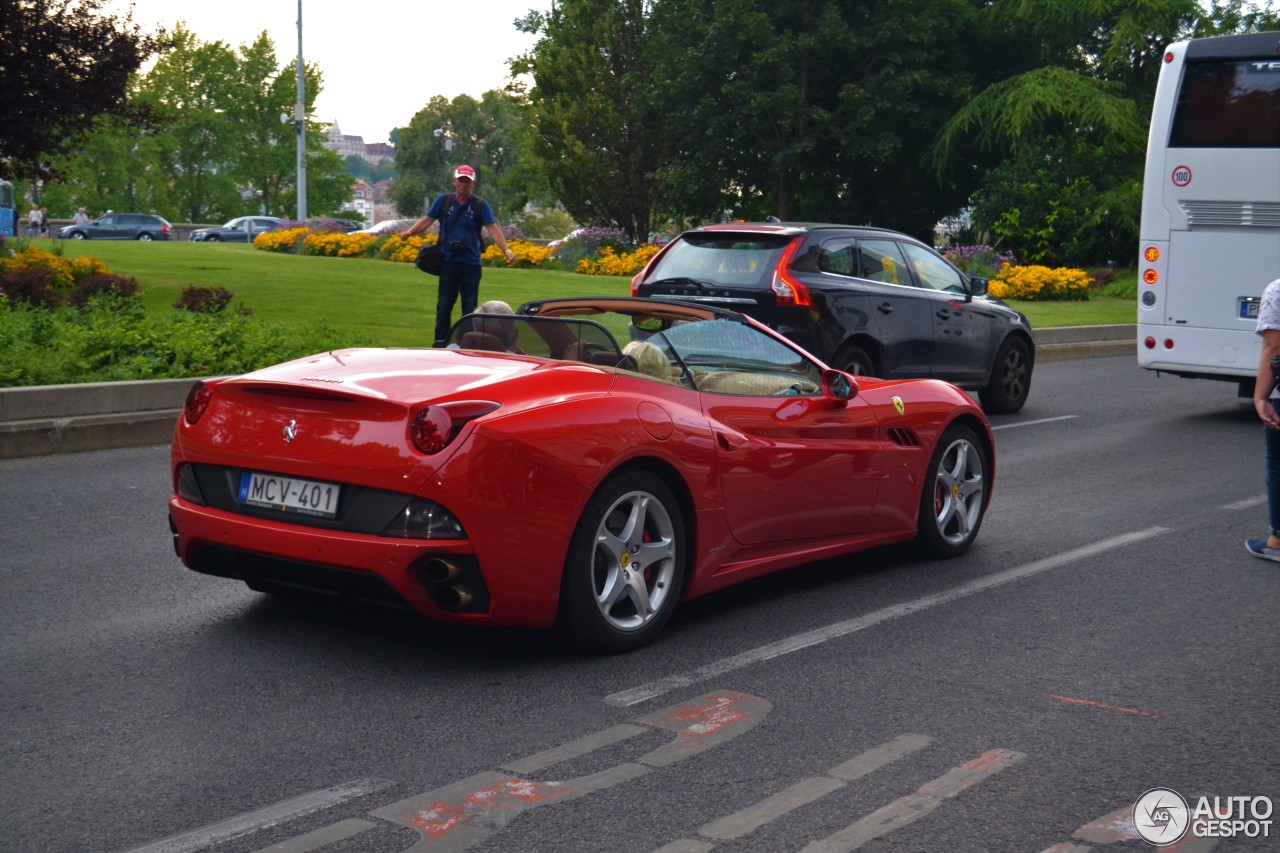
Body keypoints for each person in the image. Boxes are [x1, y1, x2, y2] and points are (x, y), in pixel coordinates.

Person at [399, 165, 517, 346]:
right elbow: (427, 220)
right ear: (454, 182)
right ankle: (440, 342)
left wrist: (506, 250)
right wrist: (410, 232)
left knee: (470, 309)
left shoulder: (479, 205)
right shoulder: (444, 201)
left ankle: (467, 342)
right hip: (448, 262)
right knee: (444, 306)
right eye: (461, 180)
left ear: (473, 184)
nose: (464, 185)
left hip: (471, 264)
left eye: (467, 181)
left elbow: (493, 228)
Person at [1247, 276, 1280, 562]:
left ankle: (1277, 541)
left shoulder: (1277, 290)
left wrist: (1260, 398)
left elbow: (1274, 347)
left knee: (1278, 462)